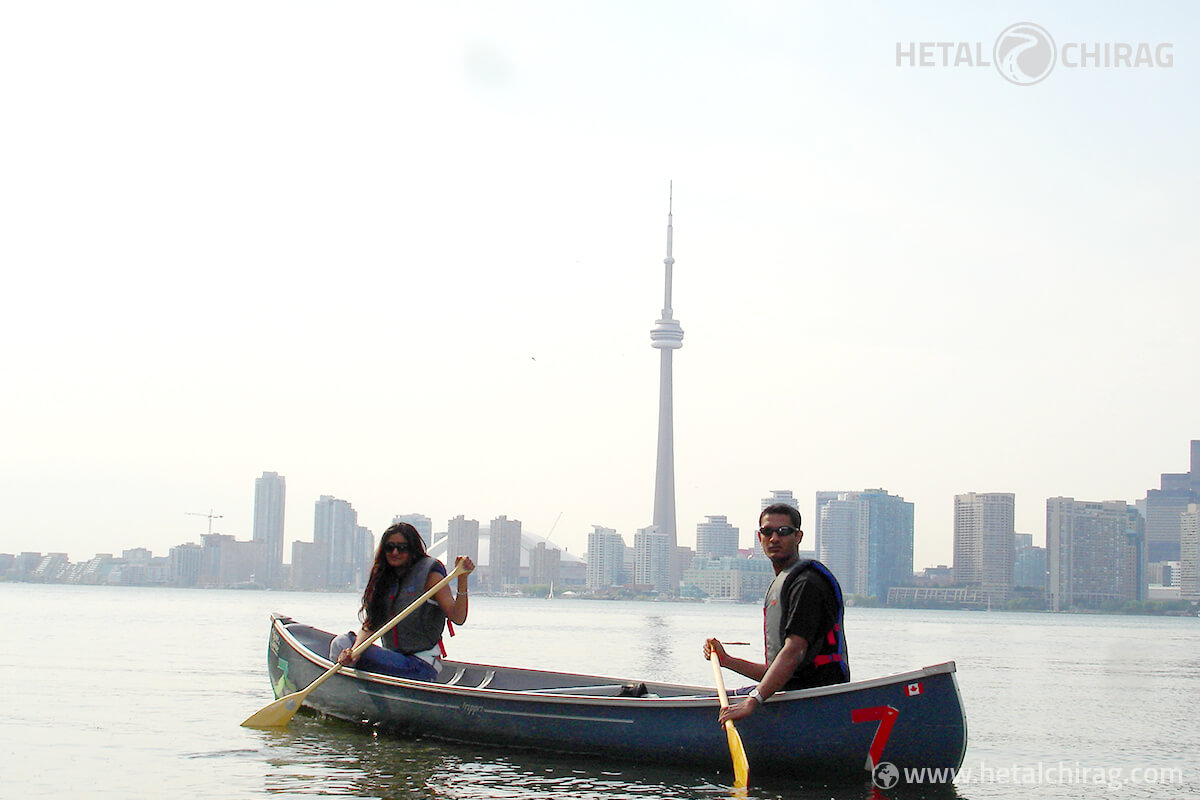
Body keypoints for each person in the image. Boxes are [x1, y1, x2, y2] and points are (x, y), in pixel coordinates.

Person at [703, 503, 850, 725]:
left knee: (740, 697)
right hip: (793, 692)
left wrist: (752, 702)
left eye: (783, 532)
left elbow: (793, 651)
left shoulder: (806, 584)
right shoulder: (786, 582)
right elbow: (777, 674)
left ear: (798, 536)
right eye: (767, 532)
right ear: (759, 537)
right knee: (712, 699)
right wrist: (727, 661)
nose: (774, 538)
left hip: (815, 699)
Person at [330, 522, 475, 681]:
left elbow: (458, 617)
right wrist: (353, 653)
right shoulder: (384, 580)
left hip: (420, 666)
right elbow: (370, 625)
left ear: (412, 550)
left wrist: (462, 578)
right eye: (389, 547)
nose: (395, 552)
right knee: (342, 643)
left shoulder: (430, 576)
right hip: (395, 658)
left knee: (346, 647)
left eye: (402, 547)